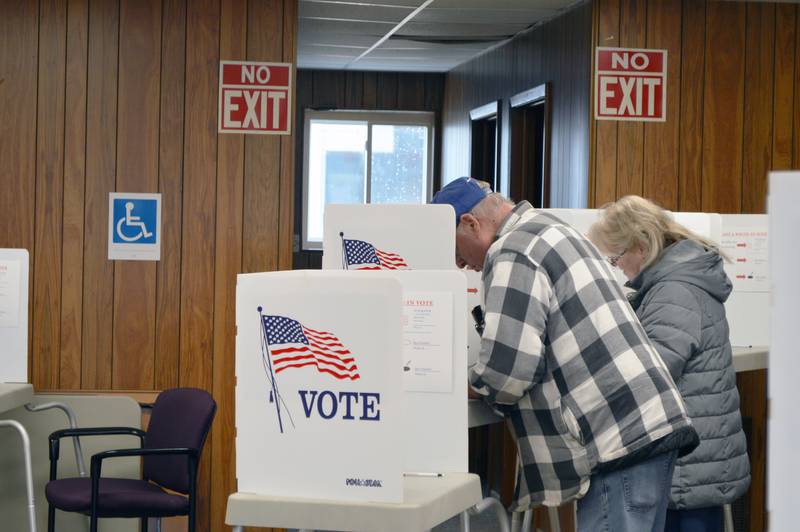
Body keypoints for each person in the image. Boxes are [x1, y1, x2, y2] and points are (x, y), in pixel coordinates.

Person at [431, 177, 699, 532]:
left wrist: (452, 384)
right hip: (641, 428)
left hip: (616, 443)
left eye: (456, 250)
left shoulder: (512, 250)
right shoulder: (550, 229)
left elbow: (508, 372)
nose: (460, 264)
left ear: (471, 223)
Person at [588, 195, 750, 532]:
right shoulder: (680, 278)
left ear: (641, 247)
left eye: (617, 257)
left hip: (689, 464)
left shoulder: (673, 290)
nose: (617, 267)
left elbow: (656, 371)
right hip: (700, 455)